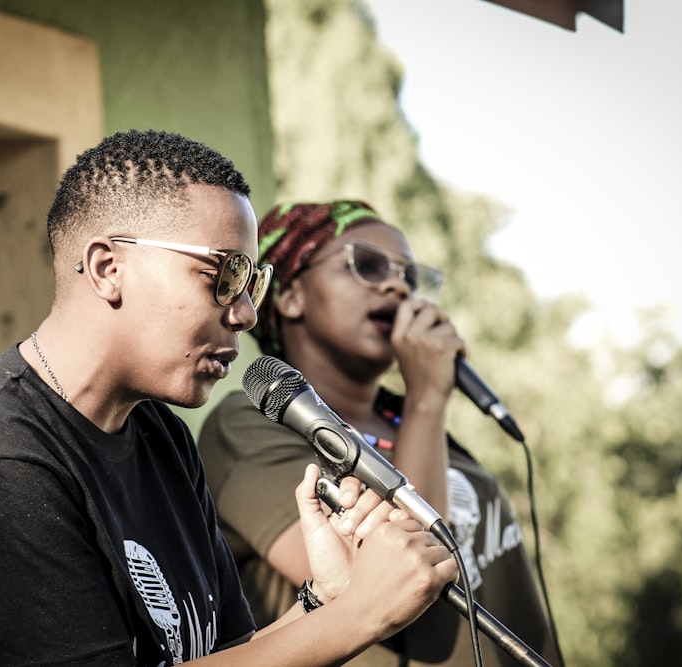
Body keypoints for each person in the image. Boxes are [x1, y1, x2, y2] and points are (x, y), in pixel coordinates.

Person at [0, 131, 458, 666]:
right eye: (224, 273)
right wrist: (360, 617)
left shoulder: (160, 433)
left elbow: (226, 653)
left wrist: (327, 601)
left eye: (252, 282)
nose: (244, 313)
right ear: (107, 268)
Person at [197, 200, 563, 667]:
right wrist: (428, 399)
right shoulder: (250, 424)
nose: (397, 286)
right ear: (290, 296)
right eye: (366, 265)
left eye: (410, 279)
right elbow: (408, 590)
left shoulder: (405, 419)